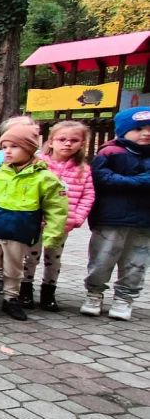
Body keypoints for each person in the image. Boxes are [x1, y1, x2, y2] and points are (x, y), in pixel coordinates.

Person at [0, 124, 67, 321]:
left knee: (14, 267)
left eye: (14, 146)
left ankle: (11, 298)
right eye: (4, 147)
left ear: (29, 149)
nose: (7, 151)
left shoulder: (45, 177)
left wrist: (53, 233)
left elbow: (56, 207)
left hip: (20, 228)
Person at [81, 107, 150, 321]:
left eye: (149, 129)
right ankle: (94, 293)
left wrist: (127, 183)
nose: (146, 133)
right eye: (138, 128)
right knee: (102, 258)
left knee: (136, 262)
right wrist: (138, 182)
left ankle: (124, 298)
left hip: (143, 221)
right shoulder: (109, 152)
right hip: (109, 218)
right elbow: (103, 179)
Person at [17, 121, 94, 311]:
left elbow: (88, 194)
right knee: (30, 256)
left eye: (74, 140)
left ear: (82, 143)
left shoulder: (83, 169)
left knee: (54, 258)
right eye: (62, 139)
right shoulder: (38, 164)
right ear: (51, 141)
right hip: (35, 220)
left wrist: (77, 217)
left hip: (61, 223)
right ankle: (25, 290)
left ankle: (48, 292)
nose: (67, 144)